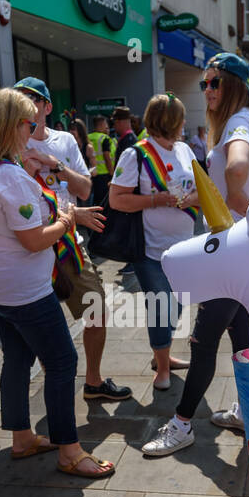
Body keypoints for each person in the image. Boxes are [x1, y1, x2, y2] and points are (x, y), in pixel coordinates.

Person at [0, 89, 115, 478]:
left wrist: (66, 211)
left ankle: (22, 437)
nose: (33, 132)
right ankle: (69, 450)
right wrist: (67, 222)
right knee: (63, 361)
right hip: (24, 289)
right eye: (29, 124)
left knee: (17, 358)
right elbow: (33, 239)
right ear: (12, 125)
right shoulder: (10, 177)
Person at [142, 51, 249, 456]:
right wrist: (198, 198)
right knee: (244, 336)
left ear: (232, 84)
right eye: (204, 83)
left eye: (214, 82)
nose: (207, 90)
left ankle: (182, 424)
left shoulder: (239, 122)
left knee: (202, 340)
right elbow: (225, 182)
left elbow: (237, 168)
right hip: (243, 249)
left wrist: (234, 196)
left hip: (230, 253)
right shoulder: (244, 120)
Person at [13, 77, 131, 402]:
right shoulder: (9, 145)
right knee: (41, 323)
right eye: (20, 97)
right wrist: (72, 215)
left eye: (33, 98)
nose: (26, 103)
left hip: (68, 244)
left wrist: (56, 166)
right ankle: (56, 384)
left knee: (95, 307)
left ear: (47, 106)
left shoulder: (64, 140)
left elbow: (84, 190)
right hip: (30, 247)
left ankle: (92, 381)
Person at [108, 94, 199, 391]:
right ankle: (161, 366)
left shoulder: (185, 150)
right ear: (170, 121)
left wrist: (188, 199)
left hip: (185, 248)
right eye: (181, 118)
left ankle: (164, 354)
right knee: (161, 306)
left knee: (178, 304)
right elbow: (116, 199)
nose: (185, 123)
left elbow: (203, 190)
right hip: (151, 251)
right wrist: (156, 200)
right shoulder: (136, 154)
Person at [87, 115, 116, 205]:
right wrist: (112, 174)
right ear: (101, 125)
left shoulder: (87, 137)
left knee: (93, 199)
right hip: (104, 174)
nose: (107, 127)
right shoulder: (104, 138)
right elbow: (107, 157)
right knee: (103, 201)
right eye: (105, 125)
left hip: (91, 173)